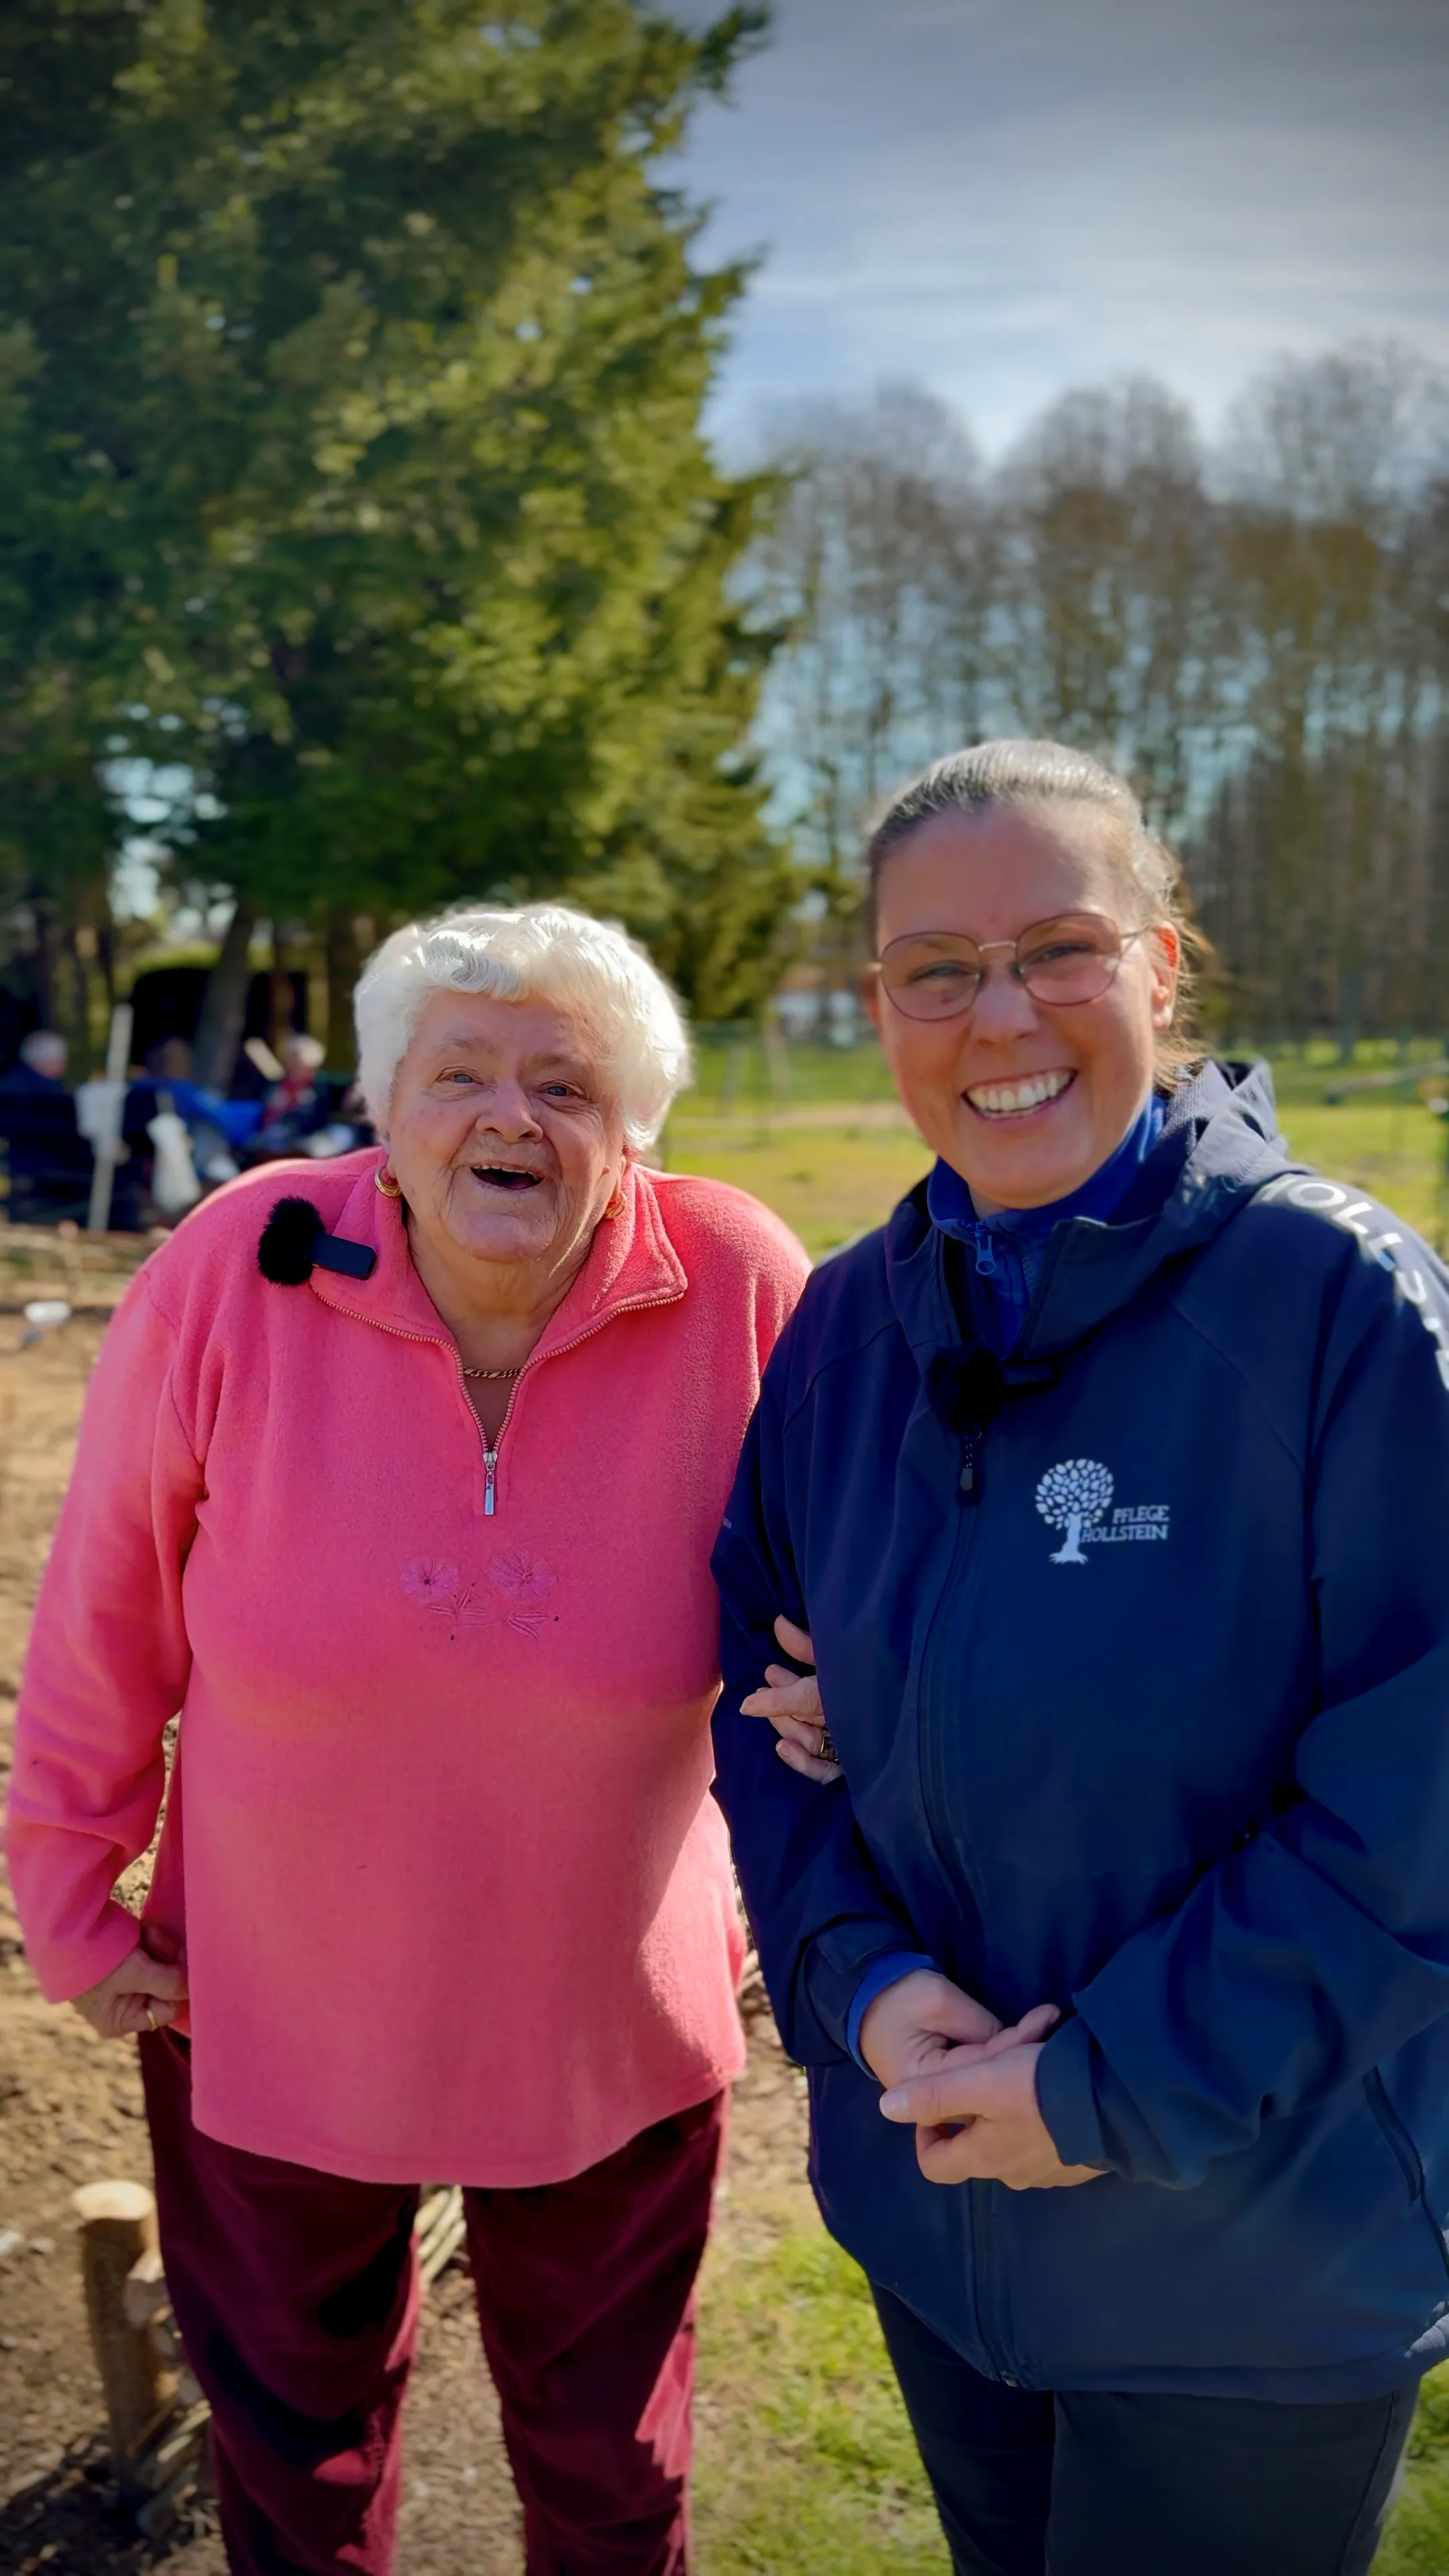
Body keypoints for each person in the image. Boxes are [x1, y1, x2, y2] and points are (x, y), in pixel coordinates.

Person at [710, 740, 1449, 2576]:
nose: (999, 1015)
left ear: (1162, 968)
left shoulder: (1338, 1307)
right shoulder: (843, 1329)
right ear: (880, 1001)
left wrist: (1095, 2090)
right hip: (941, 2229)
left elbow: (1422, 1791)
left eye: (1059, 948)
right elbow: (751, 1698)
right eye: (935, 971)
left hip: (1252, 2259)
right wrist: (858, 1980)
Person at [7, 904, 808, 2576]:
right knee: (295, 2459)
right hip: (272, 2003)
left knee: (609, 2467)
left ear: (636, 1125)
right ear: (384, 1105)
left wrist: (780, 1903)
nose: (510, 1118)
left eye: (566, 1084)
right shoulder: (234, 1265)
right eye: (461, 1073)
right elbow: (104, 1617)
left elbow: (829, 1640)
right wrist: (72, 1905)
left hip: (612, 2021)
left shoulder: (739, 1281)